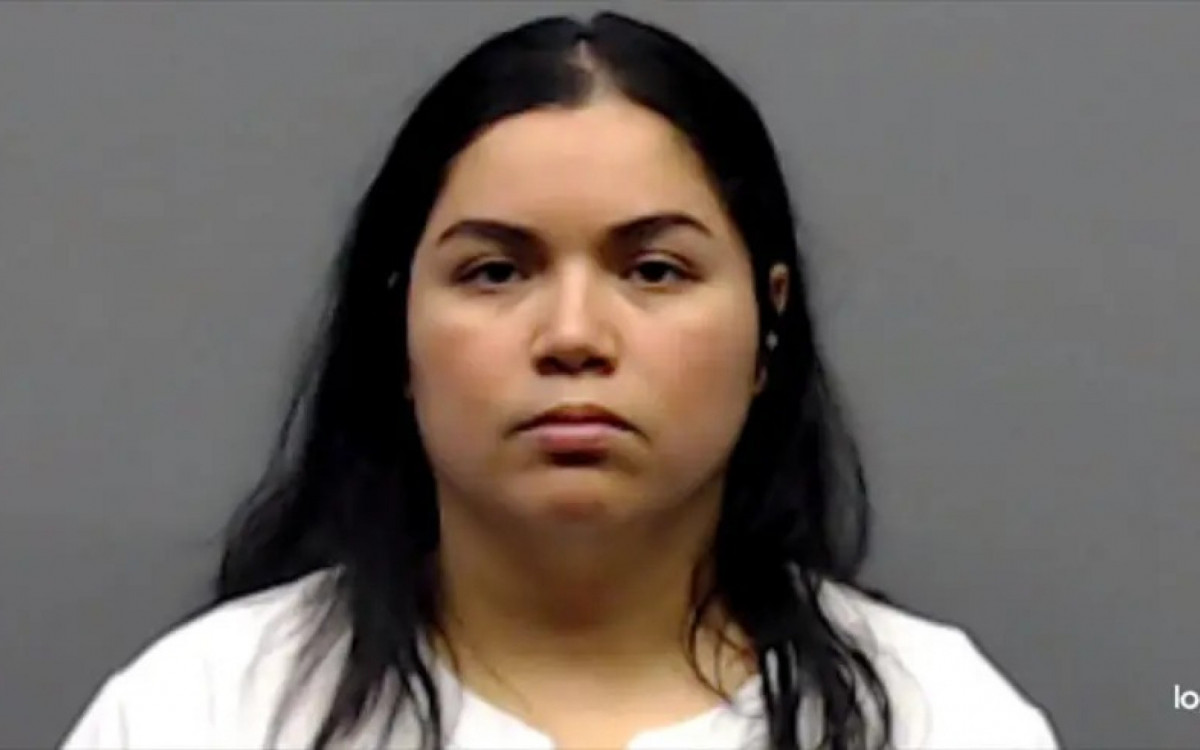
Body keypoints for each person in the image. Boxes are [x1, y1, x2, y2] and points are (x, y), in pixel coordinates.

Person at [60, 11, 1058, 750]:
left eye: (654, 270)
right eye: (496, 272)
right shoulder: (201, 713)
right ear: (397, 327)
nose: (573, 336)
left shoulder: (937, 718)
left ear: (768, 324)